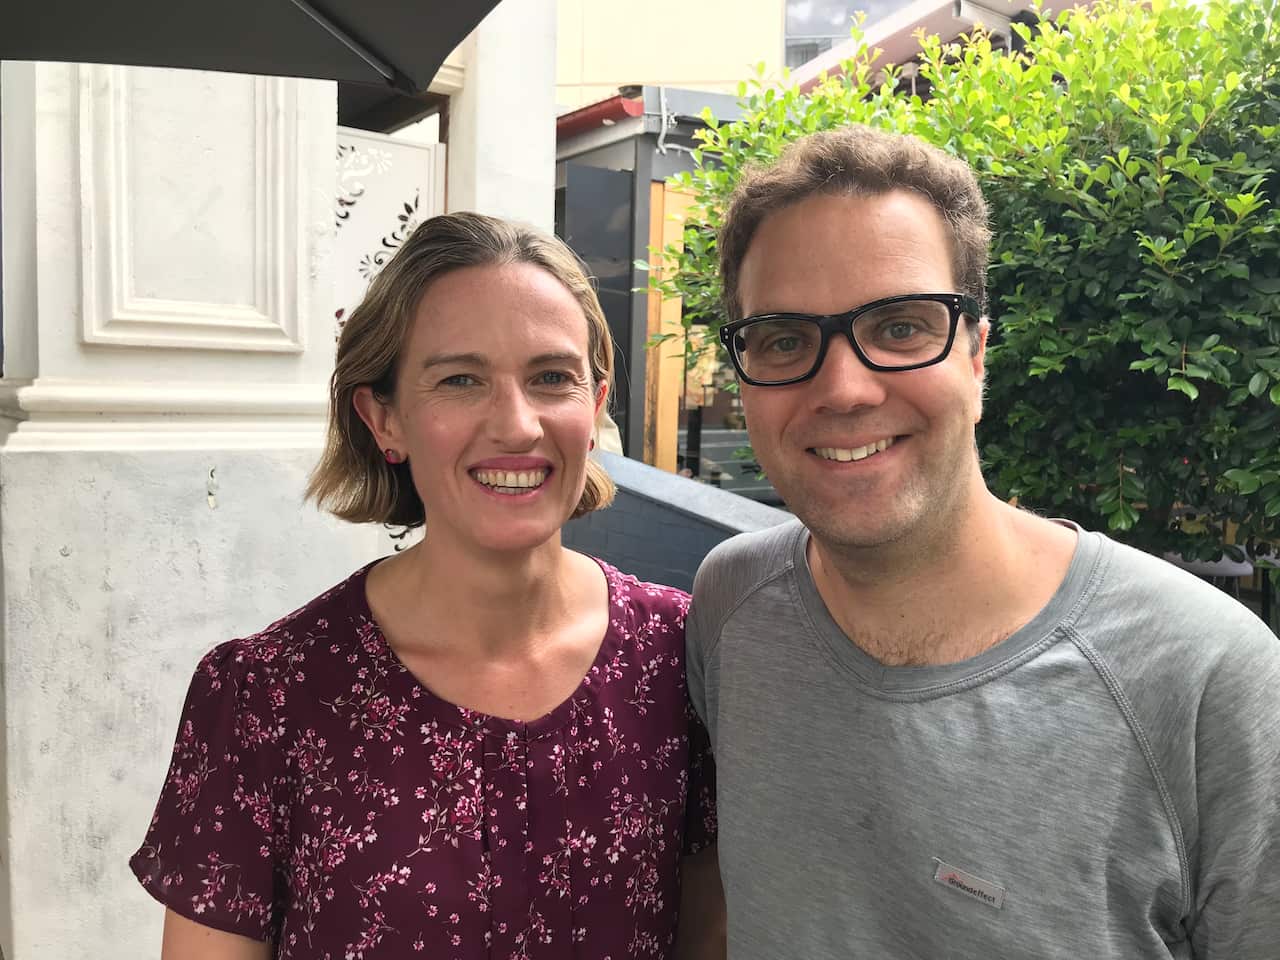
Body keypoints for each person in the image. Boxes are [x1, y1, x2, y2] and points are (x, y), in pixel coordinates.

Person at [685, 126, 1280, 959]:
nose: (844, 388)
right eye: (784, 340)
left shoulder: (1206, 679)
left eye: (899, 327)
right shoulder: (731, 608)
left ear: (976, 353)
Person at [131, 212, 719, 959]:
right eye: (460, 380)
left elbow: (709, 936)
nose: (516, 424)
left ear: (595, 406)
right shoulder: (266, 698)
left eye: (551, 377)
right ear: (384, 420)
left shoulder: (686, 658)